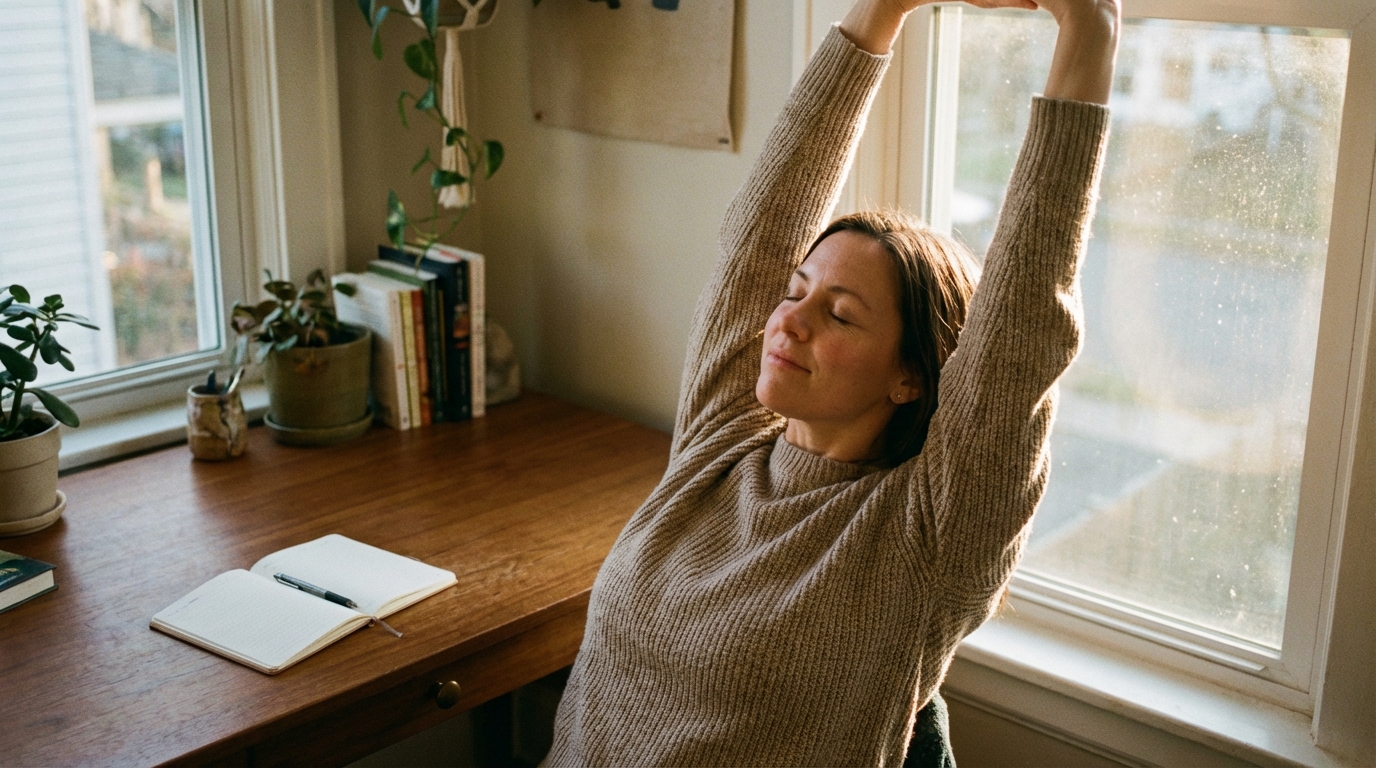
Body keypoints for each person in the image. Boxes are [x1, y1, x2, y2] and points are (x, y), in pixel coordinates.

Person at [546, 0, 1120, 763]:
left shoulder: (927, 538)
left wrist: (1090, 26)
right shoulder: (721, 443)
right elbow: (761, 231)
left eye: (840, 315)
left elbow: (1021, 331)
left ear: (911, 376)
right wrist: (883, 10)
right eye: (795, 291)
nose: (787, 323)